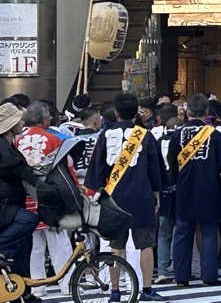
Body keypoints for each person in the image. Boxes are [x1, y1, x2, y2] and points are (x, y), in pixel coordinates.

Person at [85, 94, 166, 302]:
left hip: (114, 198)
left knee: (116, 246)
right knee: (145, 244)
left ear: (116, 112)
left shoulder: (105, 135)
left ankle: (115, 291)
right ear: (135, 112)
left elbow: (97, 169)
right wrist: (156, 192)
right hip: (141, 195)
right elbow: (154, 170)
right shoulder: (145, 135)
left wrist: (96, 191)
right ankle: (146, 290)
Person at [167, 94, 221, 286]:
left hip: (184, 189)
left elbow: (171, 164)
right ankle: (209, 276)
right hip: (209, 188)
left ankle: (181, 277)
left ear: (187, 113)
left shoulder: (177, 135)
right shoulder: (214, 135)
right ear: (207, 113)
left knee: (182, 232)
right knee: (209, 231)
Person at [14, 102, 75, 296]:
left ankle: (37, 286)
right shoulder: (53, 139)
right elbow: (66, 169)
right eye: (49, 116)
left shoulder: (16, 140)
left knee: (34, 244)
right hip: (49, 197)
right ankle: (68, 284)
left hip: (25, 198)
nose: (50, 118)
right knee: (59, 242)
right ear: (43, 119)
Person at [0, 102, 40, 303]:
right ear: (10, 125)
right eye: (18, 119)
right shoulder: (2, 147)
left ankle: (23, 292)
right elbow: (17, 168)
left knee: (23, 250)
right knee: (29, 220)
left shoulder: (9, 144)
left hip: (13, 203)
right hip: (5, 207)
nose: (22, 122)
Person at [153, 105, 179, 284]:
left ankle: (162, 270)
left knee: (163, 232)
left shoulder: (158, 141)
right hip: (181, 189)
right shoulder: (183, 140)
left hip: (163, 189)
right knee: (181, 230)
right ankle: (180, 267)